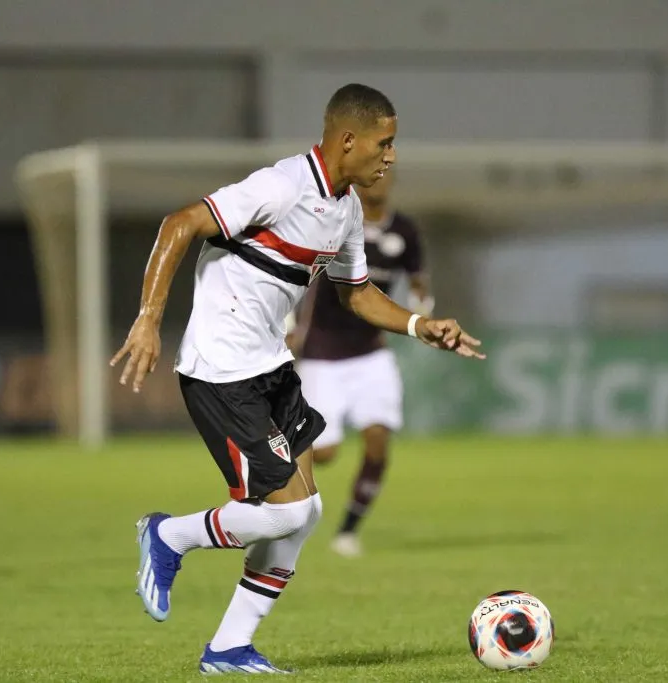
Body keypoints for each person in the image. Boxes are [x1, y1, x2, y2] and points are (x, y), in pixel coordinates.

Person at [110, 83, 484, 675]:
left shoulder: (347, 210)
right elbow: (180, 223)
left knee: (304, 514)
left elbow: (356, 293)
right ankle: (169, 535)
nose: (391, 157)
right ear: (347, 140)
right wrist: (150, 319)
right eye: (384, 144)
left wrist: (420, 324)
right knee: (284, 512)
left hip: (271, 366)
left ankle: (229, 648)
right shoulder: (280, 186)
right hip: (222, 371)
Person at [287, 170, 433, 558]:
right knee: (326, 452)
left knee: (378, 440)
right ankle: (269, 466)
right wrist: (290, 328)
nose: (377, 184)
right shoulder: (335, 221)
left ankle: (348, 531)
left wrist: (422, 313)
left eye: (385, 178)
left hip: (371, 352)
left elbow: (418, 284)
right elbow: (299, 278)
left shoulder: (405, 231)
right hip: (322, 353)